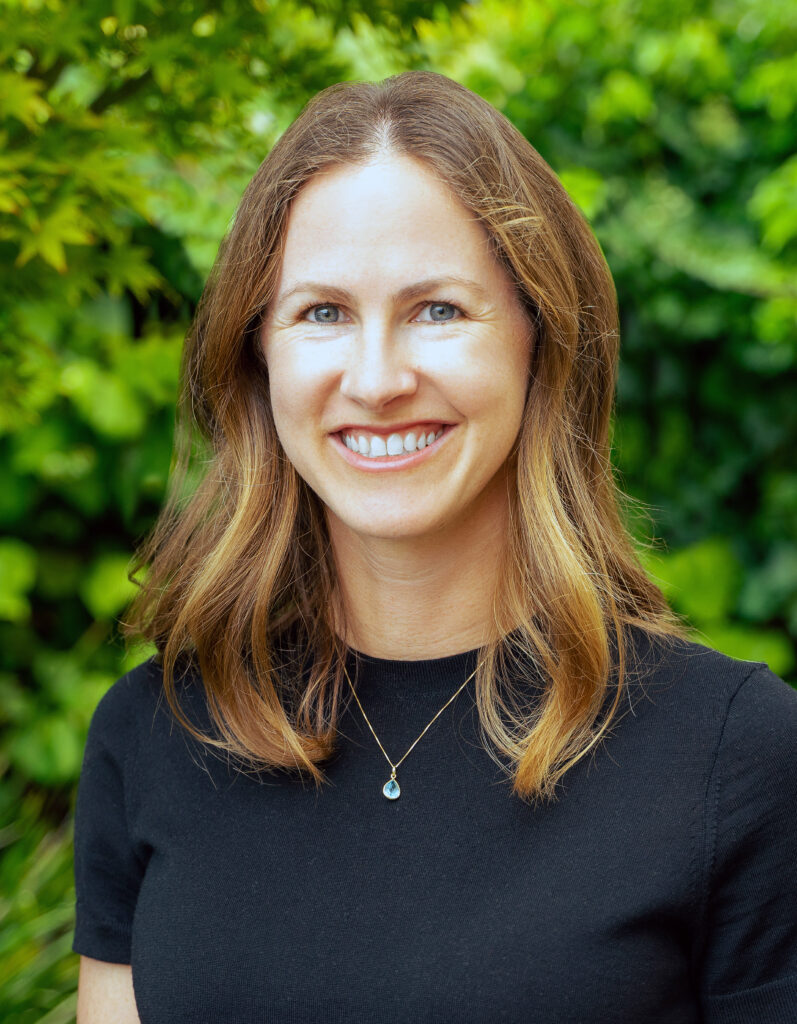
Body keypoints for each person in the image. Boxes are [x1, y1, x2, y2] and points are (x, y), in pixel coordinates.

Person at [72, 70, 797, 1023]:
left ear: (541, 342)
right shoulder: (154, 734)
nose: (375, 380)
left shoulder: (735, 754)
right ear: (257, 354)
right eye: (321, 312)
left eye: (438, 310)